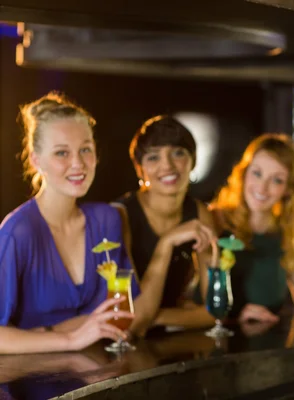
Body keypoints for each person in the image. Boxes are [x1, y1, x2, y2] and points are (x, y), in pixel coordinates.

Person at [0, 93, 211, 354]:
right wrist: (71, 338)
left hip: (101, 371)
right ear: (36, 160)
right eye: (62, 153)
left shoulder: (107, 220)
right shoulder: (18, 232)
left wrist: (44, 332)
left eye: (85, 149)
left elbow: (129, 317)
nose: (78, 163)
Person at [210, 133, 294, 325]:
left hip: (267, 345)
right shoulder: (213, 221)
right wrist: (234, 316)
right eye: (257, 173)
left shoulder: (288, 234)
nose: (262, 188)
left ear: (288, 189)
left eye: (276, 180)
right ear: (244, 174)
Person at [113, 115, 216, 332]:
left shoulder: (200, 213)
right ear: (140, 169)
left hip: (171, 339)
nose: (167, 165)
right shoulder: (120, 216)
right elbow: (128, 323)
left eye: (178, 153)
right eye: (153, 157)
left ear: (193, 160)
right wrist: (167, 242)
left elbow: (214, 311)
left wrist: (153, 317)